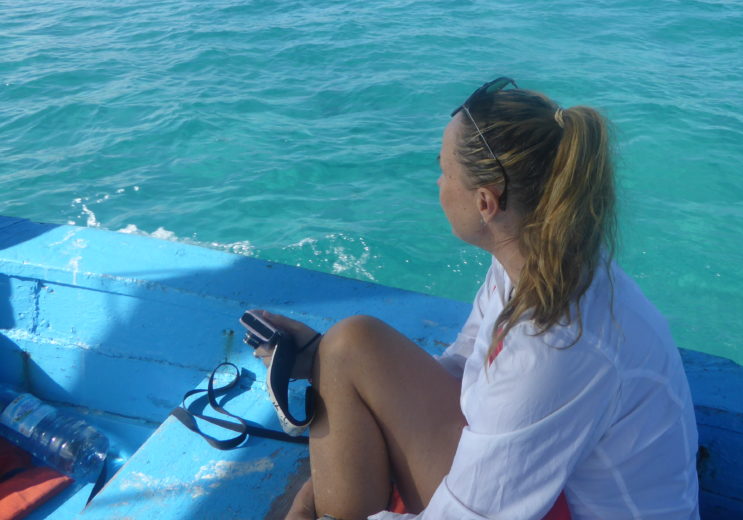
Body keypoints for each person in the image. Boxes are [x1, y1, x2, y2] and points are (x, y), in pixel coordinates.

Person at [257, 77, 701, 520]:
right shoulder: (538, 254)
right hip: (560, 486)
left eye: (445, 171)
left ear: (486, 202)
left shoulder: (558, 347)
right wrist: (341, 392)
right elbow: (467, 364)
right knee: (352, 344)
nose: (438, 183)